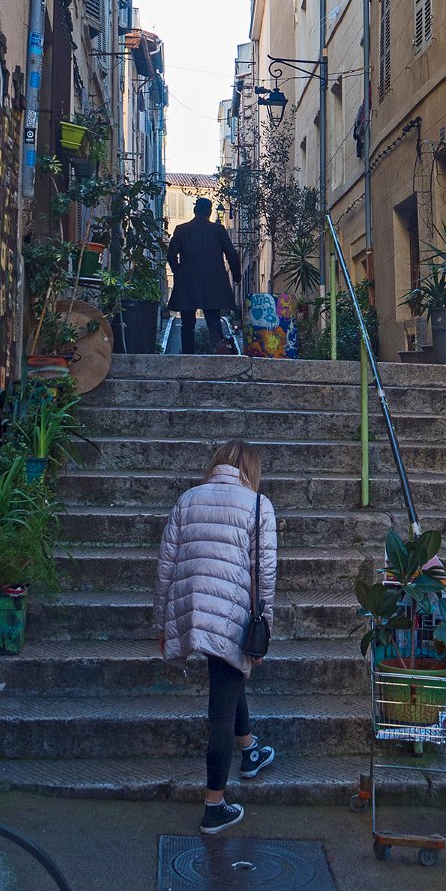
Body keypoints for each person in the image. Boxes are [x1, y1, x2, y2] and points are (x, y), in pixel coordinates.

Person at [154, 439, 277, 834]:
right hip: (231, 614)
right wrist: (264, 628)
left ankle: (250, 749)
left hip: (194, 608)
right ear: (251, 469)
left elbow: (166, 565)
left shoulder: (187, 500)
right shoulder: (258, 505)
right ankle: (214, 805)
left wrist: (163, 622)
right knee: (221, 708)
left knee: (229, 674)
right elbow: (265, 574)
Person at [166, 198, 241, 354]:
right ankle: (219, 353)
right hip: (213, 282)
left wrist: (179, 272)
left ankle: (188, 356)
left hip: (188, 282)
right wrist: (237, 276)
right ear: (209, 212)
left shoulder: (182, 230)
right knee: (213, 320)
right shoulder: (218, 230)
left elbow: (171, 255)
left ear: (195, 211)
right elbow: (232, 254)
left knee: (187, 324)